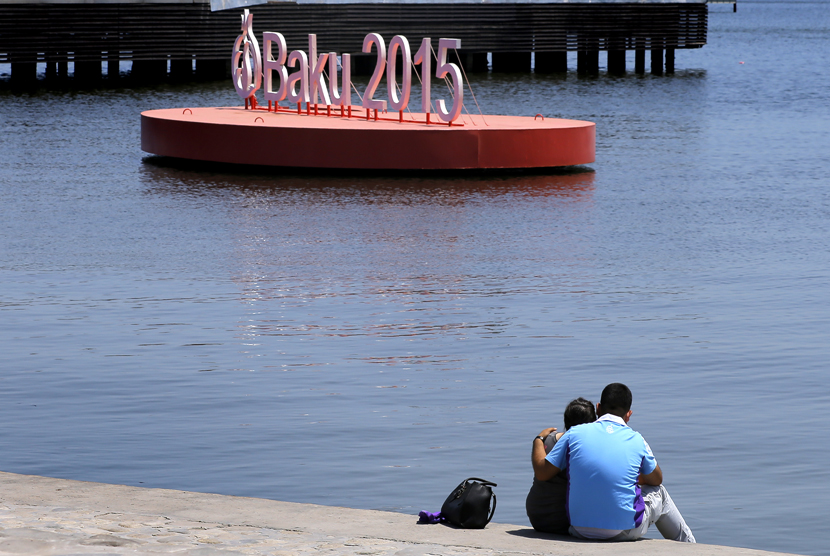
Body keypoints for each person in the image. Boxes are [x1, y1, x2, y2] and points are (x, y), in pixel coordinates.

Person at [532, 383, 696, 543]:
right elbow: (656, 479)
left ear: (598, 408)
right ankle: (690, 547)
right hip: (622, 531)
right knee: (659, 492)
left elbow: (542, 472)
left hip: (578, 529)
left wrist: (538, 440)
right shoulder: (637, 439)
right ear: (629, 414)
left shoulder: (574, 433)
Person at [526, 397, 596, 534]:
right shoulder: (586, 448)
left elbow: (540, 468)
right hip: (563, 520)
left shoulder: (549, 440)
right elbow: (542, 473)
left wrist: (538, 440)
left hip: (537, 516)